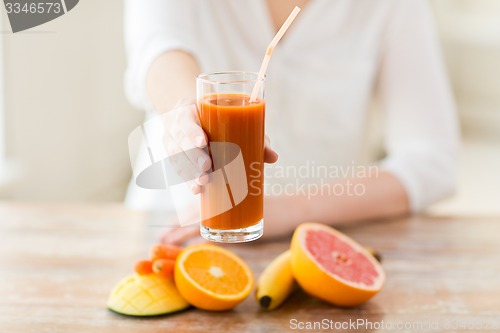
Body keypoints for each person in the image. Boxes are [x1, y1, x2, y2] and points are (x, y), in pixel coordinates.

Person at [123, 0, 460, 244]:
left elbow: (433, 160)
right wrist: (183, 116)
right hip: (171, 231)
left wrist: (293, 209)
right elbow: (159, 50)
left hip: (317, 245)